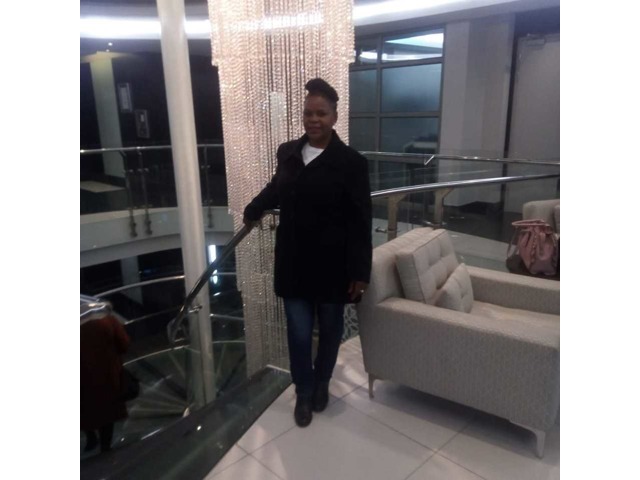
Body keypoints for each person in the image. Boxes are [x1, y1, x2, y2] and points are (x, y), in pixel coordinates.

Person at [243, 78, 372, 427]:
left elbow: (361, 220)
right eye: (308, 113)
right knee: (298, 333)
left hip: (334, 264)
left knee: (330, 330)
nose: (313, 119)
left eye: (321, 113)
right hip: (294, 261)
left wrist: (360, 272)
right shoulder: (288, 152)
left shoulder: (352, 163)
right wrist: (255, 206)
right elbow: (276, 187)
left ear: (334, 116)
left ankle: (322, 382)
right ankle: (303, 390)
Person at [80, 306, 131, 453]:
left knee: (84, 409)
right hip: (107, 374)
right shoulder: (106, 318)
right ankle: (105, 447)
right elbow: (124, 344)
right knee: (107, 410)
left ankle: (90, 437)